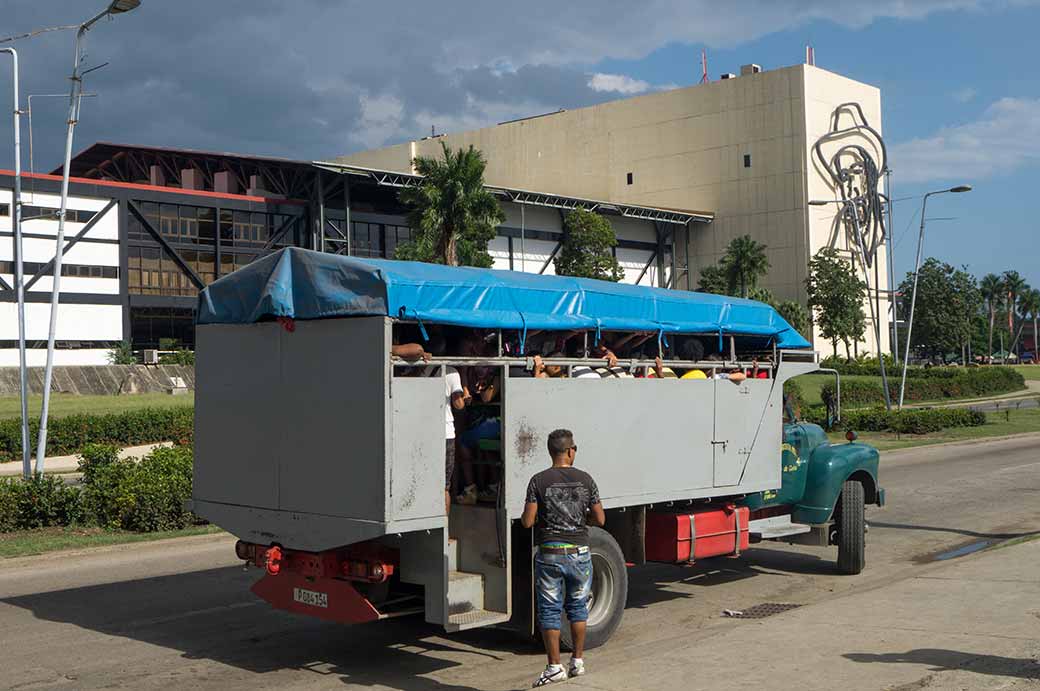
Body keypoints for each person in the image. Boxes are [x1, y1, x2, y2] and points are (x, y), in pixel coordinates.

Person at [521, 429, 605, 687]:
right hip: (579, 553)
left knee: (550, 611)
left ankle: (554, 666)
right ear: (570, 451)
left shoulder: (538, 481)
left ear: (551, 452)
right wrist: (583, 519)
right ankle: (577, 661)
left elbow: (527, 521)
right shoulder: (586, 480)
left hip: (550, 554)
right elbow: (600, 519)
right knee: (578, 607)